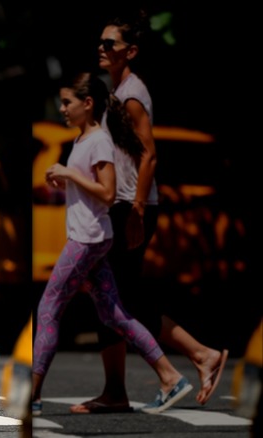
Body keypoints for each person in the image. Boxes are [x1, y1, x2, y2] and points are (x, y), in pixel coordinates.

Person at [69, 13, 227, 414]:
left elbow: (150, 155)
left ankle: (199, 357)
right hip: (120, 206)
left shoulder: (133, 94)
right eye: (100, 43)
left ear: (130, 52)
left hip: (130, 208)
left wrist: (138, 208)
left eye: (111, 45)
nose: (102, 50)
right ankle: (119, 390)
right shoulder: (117, 92)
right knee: (115, 299)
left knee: (115, 299)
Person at [31, 72, 191, 416]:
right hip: (89, 235)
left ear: (88, 104)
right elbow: (91, 190)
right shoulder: (83, 139)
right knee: (113, 312)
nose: (62, 109)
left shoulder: (100, 141)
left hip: (88, 239)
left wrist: (70, 174)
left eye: (67, 102)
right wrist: (65, 182)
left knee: (48, 306)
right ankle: (170, 376)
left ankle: (33, 393)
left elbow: (107, 192)